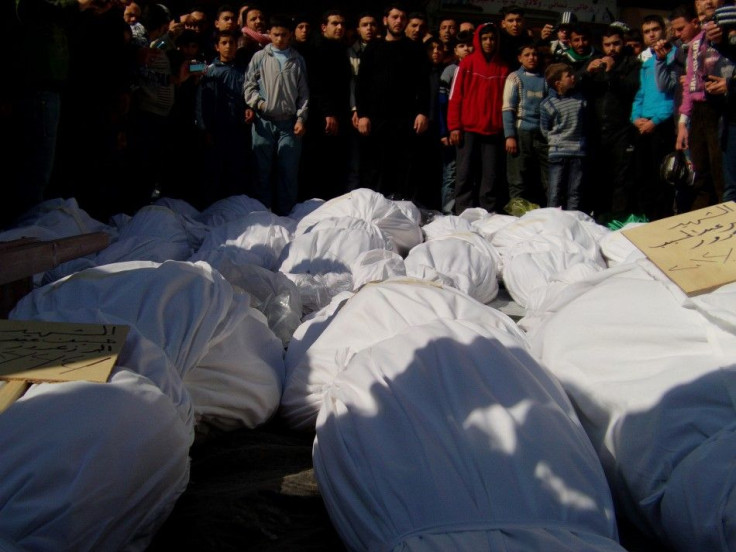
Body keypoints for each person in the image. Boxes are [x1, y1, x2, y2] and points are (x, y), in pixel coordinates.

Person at [355, 4, 430, 202]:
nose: (398, 21)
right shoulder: (373, 48)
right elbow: (361, 84)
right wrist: (362, 114)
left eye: (402, 17)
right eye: (394, 17)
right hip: (375, 119)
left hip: (404, 120)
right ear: (385, 20)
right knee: (374, 168)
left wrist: (423, 112)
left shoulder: (415, 49)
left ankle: (399, 212)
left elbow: (423, 84)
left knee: (403, 169)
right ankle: (372, 210)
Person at [243, 15, 308, 216]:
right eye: (276, 34)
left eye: (284, 35)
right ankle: (262, 214)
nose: (279, 39)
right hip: (264, 122)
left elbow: (304, 93)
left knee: (288, 171)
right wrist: (259, 103)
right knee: (262, 171)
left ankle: (286, 215)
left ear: (290, 35)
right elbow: (248, 86)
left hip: (288, 123)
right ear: (269, 34)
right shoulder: (260, 57)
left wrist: (301, 118)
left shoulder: (297, 59)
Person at [675, 0, 733, 211]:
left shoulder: (728, 37)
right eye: (703, 20)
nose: (707, 24)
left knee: (721, 174)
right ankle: (701, 223)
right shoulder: (696, 43)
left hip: (721, 106)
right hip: (698, 111)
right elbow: (690, 82)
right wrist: (683, 121)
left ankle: (723, 220)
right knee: (699, 173)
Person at [447, 22, 510, 214]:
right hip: (468, 129)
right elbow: (455, 95)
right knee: (464, 174)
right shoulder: (467, 63)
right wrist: (454, 126)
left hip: (493, 131)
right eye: (484, 38)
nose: (488, 42)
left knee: (490, 176)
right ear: (478, 40)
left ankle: (487, 214)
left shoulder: (503, 67)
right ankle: (462, 212)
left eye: (492, 38)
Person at [579, 24, 640, 219]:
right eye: (607, 45)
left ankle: (618, 218)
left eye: (616, 44)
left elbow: (629, 89)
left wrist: (612, 73)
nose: (611, 49)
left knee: (620, 178)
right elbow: (577, 86)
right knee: (598, 176)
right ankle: (600, 216)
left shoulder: (631, 64)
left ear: (623, 43)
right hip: (597, 130)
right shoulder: (595, 61)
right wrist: (587, 72)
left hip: (622, 129)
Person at [300, 9, 352, 202]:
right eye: (335, 23)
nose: (340, 27)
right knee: (318, 163)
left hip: (340, 114)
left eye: (342, 24)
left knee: (335, 163)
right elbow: (317, 84)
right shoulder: (316, 49)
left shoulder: (341, 49)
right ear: (323, 27)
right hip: (320, 116)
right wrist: (327, 112)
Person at [630, 15, 676, 220]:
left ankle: (662, 220)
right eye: (647, 31)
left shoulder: (675, 54)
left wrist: (655, 121)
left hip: (663, 123)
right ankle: (646, 218)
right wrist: (635, 117)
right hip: (643, 122)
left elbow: (674, 96)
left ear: (663, 30)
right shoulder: (645, 60)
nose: (651, 34)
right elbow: (640, 92)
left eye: (655, 29)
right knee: (642, 175)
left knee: (662, 177)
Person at [196, 29, 249, 205]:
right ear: (217, 47)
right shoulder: (209, 69)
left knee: (236, 171)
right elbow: (200, 100)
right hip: (216, 129)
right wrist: (204, 129)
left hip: (238, 128)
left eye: (232, 43)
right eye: (224, 43)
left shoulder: (244, 70)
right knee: (214, 172)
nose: (228, 47)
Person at [502, 43, 549, 205]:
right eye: (527, 54)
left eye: (535, 54)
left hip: (543, 135)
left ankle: (546, 213)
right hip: (521, 133)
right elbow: (508, 107)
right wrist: (510, 136)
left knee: (544, 178)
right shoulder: (514, 77)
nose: (531, 58)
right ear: (520, 58)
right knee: (518, 178)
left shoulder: (545, 78)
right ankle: (517, 215)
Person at [539, 63, 587, 210]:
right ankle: (552, 221)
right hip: (558, 151)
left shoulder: (580, 100)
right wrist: (555, 141)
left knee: (574, 191)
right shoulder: (547, 104)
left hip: (577, 151)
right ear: (558, 83)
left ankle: (572, 219)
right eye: (568, 76)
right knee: (555, 190)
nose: (573, 78)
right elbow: (544, 128)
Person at [439, 30, 474, 214]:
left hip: (469, 131)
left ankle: (464, 211)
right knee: (451, 173)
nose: (466, 49)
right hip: (451, 131)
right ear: (455, 50)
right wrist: (445, 131)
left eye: (469, 45)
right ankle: (447, 212)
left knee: (466, 172)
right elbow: (443, 104)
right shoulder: (451, 71)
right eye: (461, 46)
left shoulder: (476, 69)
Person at [347, 11, 379, 190]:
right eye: (365, 25)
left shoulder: (384, 49)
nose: (369, 29)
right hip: (358, 113)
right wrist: (355, 109)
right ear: (358, 29)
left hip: (379, 114)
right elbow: (353, 83)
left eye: (372, 24)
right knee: (356, 161)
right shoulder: (351, 53)